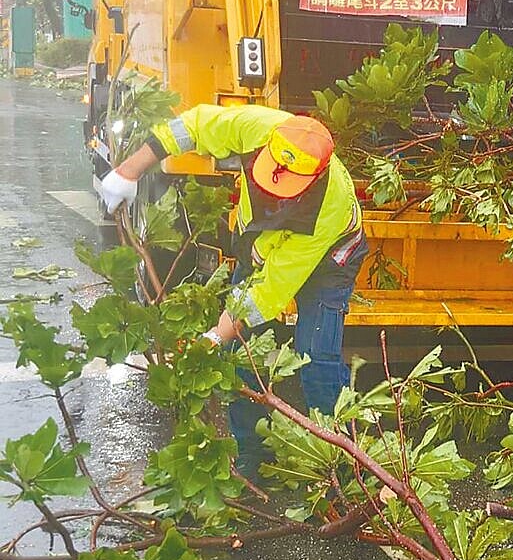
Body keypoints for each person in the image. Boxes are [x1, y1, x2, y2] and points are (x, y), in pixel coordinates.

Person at [99, 105, 368, 476]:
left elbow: (266, 294)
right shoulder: (260, 128)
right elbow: (191, 126)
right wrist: (129, 170)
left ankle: (341, 464)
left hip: (330, 262)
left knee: (315, 355)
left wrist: (211, 336)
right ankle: (253, 457)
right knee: (240, 354)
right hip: (258, 244)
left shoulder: (329, 205)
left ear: (313, 179)